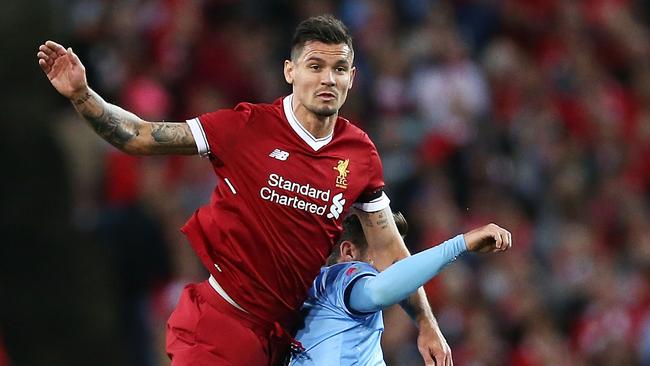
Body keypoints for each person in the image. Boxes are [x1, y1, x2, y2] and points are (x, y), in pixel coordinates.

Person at [37, 14, 462, 366]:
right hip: (221, 325)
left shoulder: (360, 154)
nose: (327, 78)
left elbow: (389, 248)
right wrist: (83, 96)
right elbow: (140, 136)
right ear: (290, 71)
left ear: (352, 77)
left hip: (286, 337)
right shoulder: (246, 127)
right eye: (315, 66)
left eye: (338, 69)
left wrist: (426, 324)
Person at [289, 213, 512, 365]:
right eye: (389, 253)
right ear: (349, 253)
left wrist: (425, 323)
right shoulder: (342, 279)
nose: (397, 263)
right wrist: (460, 244)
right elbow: (379, 292)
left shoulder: (314, 291)